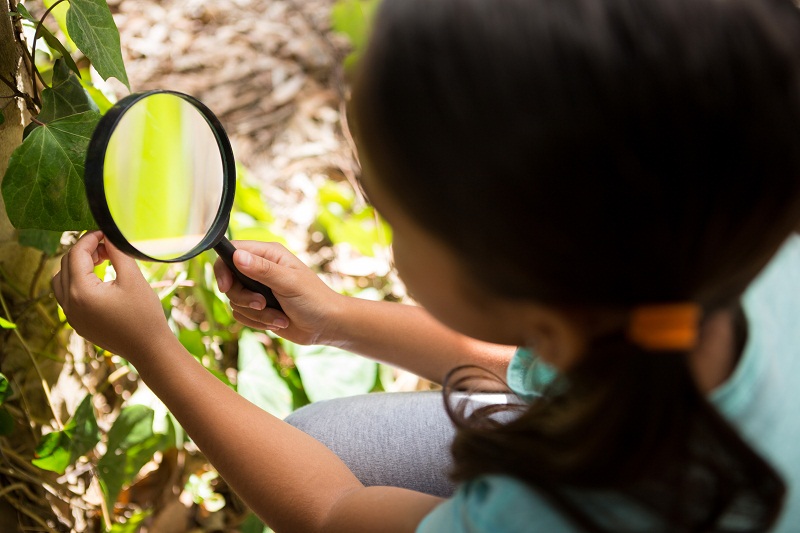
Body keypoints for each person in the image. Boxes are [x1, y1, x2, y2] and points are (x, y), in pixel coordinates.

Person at [53, 0, 800, 530]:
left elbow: (333, 514)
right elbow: (531, 355)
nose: (377, 219)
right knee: (325, 438)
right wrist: (337, 321)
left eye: (385, 208)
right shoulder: (723, 255)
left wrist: (154, 350)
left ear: (513, 275)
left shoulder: (555, 509)